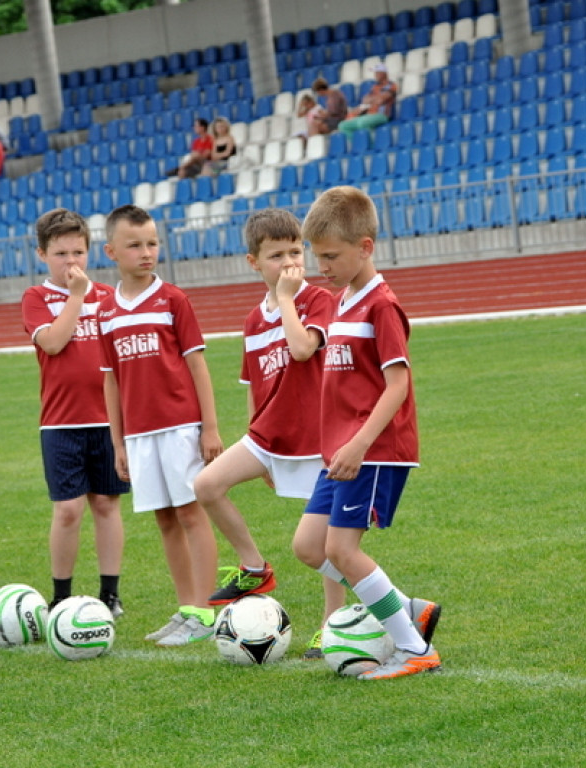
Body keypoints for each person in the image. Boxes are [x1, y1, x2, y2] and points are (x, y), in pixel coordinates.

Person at [291, 186, 442, 680]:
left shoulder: (382, 306)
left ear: (366, 246)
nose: (322, 266)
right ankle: (405, 607)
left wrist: (358, 443)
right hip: (339, 451)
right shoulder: (339, 302)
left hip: (372, 449)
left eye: (331, 256)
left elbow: (398, 385)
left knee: (342, 550)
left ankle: (414, 647)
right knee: (310, 547)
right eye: (318, 256)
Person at [193, 209, 346, 659]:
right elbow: (253, 386)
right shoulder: (251, 321)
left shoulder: (317, 300)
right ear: (253, 262)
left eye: (296, 252)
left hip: (317, 438)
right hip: (270, 436)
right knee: (207, 484)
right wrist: (256, 438)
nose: (289, 263)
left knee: (321, 541)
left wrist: (286, 300)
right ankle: (255, 566)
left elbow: (302, 349)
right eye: (276, 255)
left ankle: (330, 626)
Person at [98, 205, 222, 646]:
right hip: (138, 434)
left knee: (191, 512)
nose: (146, 252)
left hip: (180, 426)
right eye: (134, 245)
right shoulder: (105, 311)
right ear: (112, 251)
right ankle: (186, 607)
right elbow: (110, 381)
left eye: (152, 243)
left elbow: (197, 366)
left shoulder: (173, 300)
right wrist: (118, 442)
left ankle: (205, 611)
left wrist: (209, 427)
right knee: (165, 520)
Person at [21, 208, 129, 615]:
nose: (71, 262)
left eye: (78, 252)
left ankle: (110, 593)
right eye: (61, 253)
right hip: (61, 421)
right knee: (68, 509)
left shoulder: (109, 297)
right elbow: (52, 342)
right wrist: (77, 297)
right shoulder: (37, 297)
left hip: (108, 420)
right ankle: (62, 596)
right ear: (42, 255)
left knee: (106, 504)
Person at [336, 63, 397, 140]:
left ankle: (370, 147)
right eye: (375, 73)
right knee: (343, 125)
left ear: (384, 73)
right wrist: (374, 99)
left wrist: (372, 100)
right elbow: (365, 100)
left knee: (362, 123)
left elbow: (380, 100)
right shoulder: (375, 87)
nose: (375, 75)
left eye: (377, 73)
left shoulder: (391, 85)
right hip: (369, 114)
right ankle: (359, 144)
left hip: (382, 115)